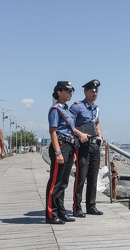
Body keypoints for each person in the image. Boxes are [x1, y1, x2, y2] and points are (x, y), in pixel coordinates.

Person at [45, 81, 87, 225]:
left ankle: (61, 212)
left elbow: (71, 129)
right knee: (55, 183)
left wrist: (80, 134)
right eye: (67, 91)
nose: (70, 94)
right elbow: (53, 131)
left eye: (71, 91)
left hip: (69, 146)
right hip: (61, 146)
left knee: (63, 183)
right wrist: (57, 152)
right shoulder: (55, 109)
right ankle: (51, 214)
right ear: (59, 92)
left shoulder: (66, 110)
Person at [70, 79, 104, 216]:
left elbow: (97, 123)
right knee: (81, 177)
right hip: (82, 145)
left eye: (96, 91)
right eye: (92, 91)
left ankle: (91, 206)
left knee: (93, 177)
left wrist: (100, 136)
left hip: (95, 145)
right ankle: (77, 207)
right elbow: (68, 124)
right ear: (85, 92)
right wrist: (80, 134)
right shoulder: (77, 107)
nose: (95, 94)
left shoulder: (96, 109)